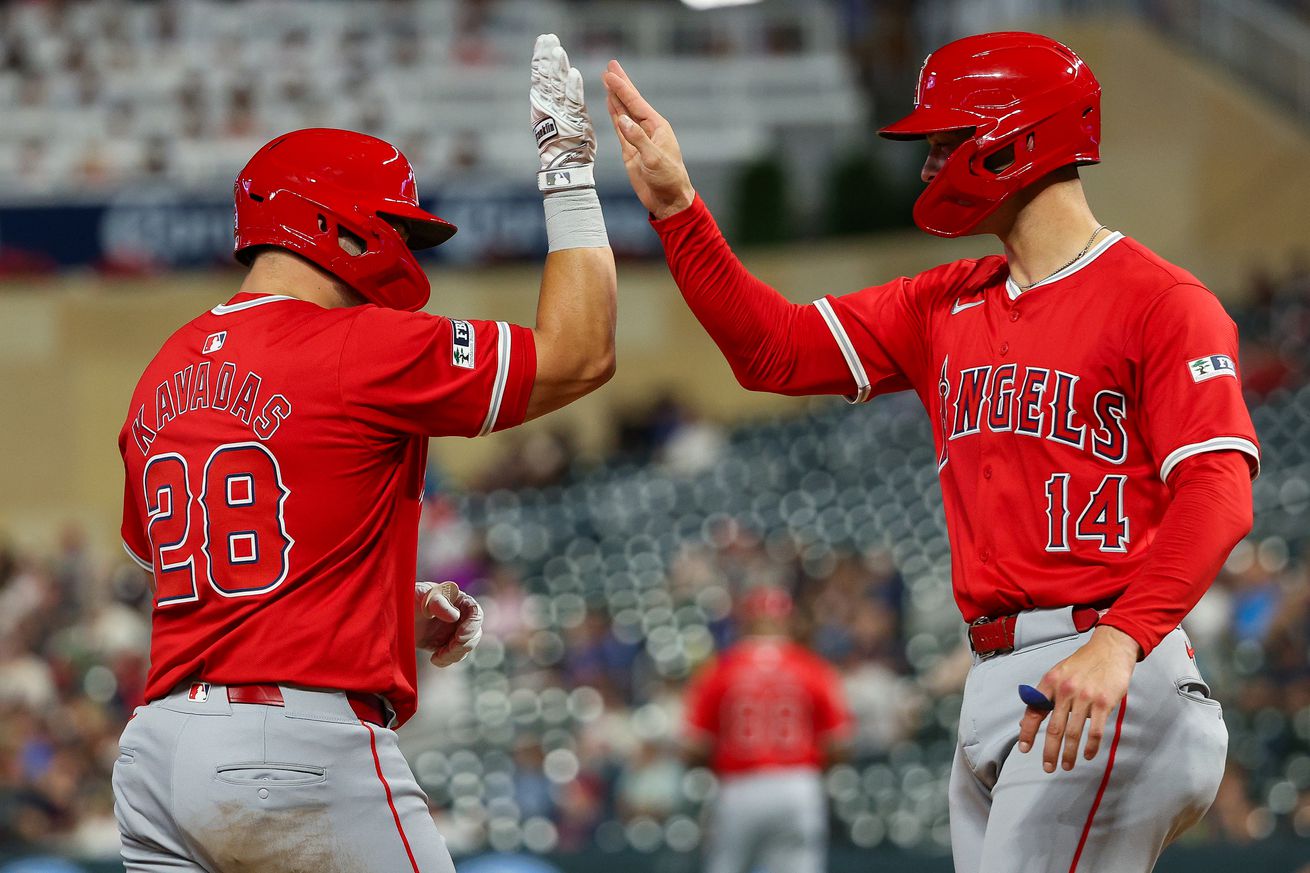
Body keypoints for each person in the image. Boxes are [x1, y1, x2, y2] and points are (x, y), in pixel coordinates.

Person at [605, 31, 1256, 873]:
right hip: (1003, 673)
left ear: (1018, 138)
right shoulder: (943, 302)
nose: (928, 164)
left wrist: (1120, 641)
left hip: (1105, 662)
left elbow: (1219, 490)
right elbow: (773, 351)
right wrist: (678, 207)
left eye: (947, 141)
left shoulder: (1163, 302)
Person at [113, 34, 614, 872]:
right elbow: (581, 354)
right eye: (393, 224)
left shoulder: (162, 366)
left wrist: (374, 602)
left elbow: (183, 561)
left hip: (158, 756)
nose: (404, 248)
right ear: (333, 222)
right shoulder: (358, 342)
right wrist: (566, 169)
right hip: (295, 753)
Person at [683, 587, 851, 873]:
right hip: (798, 782)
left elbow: (694, 747)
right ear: (787, 620)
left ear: (746, 621)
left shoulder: (721, 669)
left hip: (739, 785)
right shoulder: (811, 667)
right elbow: (838, 744)